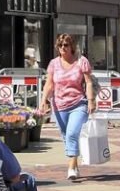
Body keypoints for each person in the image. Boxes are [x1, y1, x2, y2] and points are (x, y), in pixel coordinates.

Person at [38, 34, 95, 181]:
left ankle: (71, 168)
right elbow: (49, 84)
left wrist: (91, 101)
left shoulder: (81, 61)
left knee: (72, 133)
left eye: (66, 45)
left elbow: (89, 82)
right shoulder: (53, 64)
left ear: (72, 46)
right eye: (60, 45)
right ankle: (74, 164)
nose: (62, 48)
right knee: (66, 136)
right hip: (59, 105)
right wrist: (43, 100)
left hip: (78, 103)